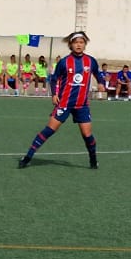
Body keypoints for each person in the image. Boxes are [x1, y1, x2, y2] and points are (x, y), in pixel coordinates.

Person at [18, 31, 109, 170]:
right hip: (65, 103)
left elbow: (97, 74)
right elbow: (54, 79)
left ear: (85, 45)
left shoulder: (90, 61)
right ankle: (28, 157)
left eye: (81, 42)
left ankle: (93, 160)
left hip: (82, 104)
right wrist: (54, 94)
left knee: (87, 134)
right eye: (76, 42)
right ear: (70, 44)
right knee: (49, 130)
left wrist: (101, 82)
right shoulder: (64, 62)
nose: (79, 45)